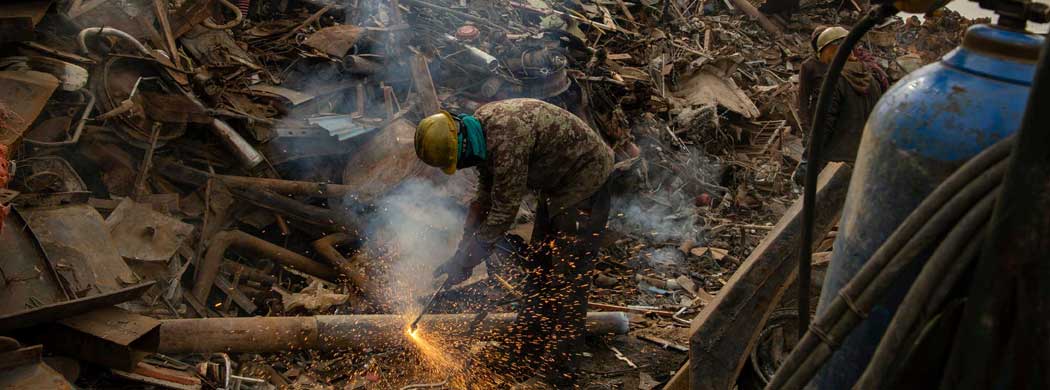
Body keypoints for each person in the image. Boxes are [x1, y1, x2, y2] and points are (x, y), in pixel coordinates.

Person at [413, 98, 614, 385]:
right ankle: (525, 355)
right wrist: (459, 256)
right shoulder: (479, 128)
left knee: (566, 282)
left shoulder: (506, 138)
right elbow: (484, 198)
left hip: (585, 181)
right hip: (556, 185)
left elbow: (504, 211)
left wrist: (470, 259)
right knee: (540, 270)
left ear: (462, 148)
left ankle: (559, 374)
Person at [794, 26, 885, 184]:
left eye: (821, 53)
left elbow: (823, 126)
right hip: (865, 161)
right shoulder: (872, 80)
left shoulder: (833, 81)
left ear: (830, 50)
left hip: (836, 165)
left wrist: (807, 161)